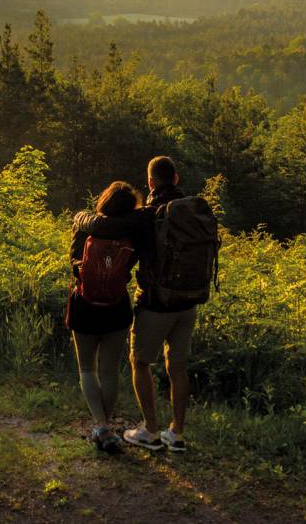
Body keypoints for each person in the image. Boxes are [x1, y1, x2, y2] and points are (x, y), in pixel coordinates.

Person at [76, 156, 205, 453]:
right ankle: (177, 433)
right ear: (175, 178)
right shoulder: (193, 209)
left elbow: (102, 224)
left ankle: (150, 430)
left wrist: (79, 218)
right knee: (179, 366)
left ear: (150, 183)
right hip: (190, 302)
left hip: (156, 302)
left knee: (141, 363)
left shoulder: (149, 214)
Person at [66, 181, 141, 453]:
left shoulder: (86, 227)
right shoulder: (133, 233)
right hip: (116, 307)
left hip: (84, 305)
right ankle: (106, 427)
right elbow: (131, 266)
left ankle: (100, 426)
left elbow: (75, 263)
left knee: (87, 369)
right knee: (109, 371)